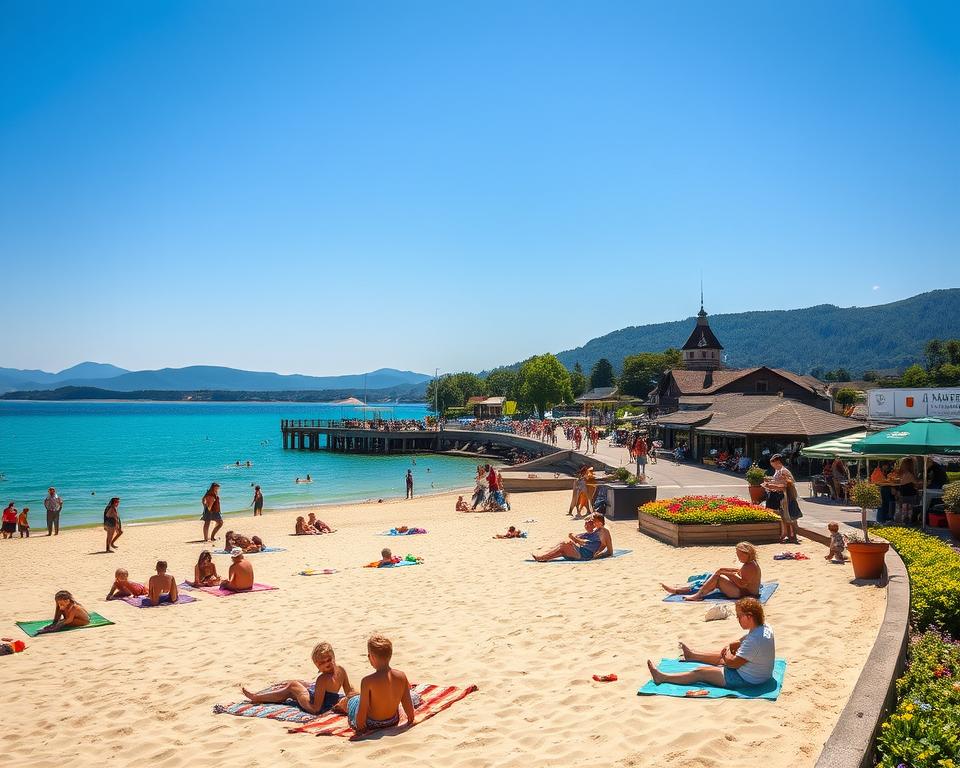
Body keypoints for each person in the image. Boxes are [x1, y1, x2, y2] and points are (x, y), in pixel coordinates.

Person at [645, 597, 775, 690]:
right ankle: (692, 655)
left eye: (739, 616)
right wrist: (730, 647)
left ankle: (663, 677)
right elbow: (743, 640)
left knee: (700, 672)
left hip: (747, 679)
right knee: (724, 654)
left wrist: (726, 655)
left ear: (749, 616)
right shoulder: (764, 627)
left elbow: (732, 664)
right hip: (761, 674)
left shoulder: (753, 641)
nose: (737, 619)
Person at [241, 641, 356, 715]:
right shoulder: (341, 670)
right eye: (323, 662)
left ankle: (256, 697)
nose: (327, 664)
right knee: (299, 685)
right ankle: (286, 691)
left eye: (329, 660)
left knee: (292, 687)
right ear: (318, 665)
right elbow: (349, 691)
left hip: (317, 703)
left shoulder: (322, 679)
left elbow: (316, 708)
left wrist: (301, 701)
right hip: (327, 698)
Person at [345, 634, 419, 734]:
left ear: (371, 657)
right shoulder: (401, 676)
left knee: (353, 701)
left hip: (371, 723)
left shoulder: (367, 681)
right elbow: (407, 704)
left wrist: (360, 729)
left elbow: (362, 709)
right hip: (392, 720)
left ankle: (343, 703)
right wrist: (410, 718)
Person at [660, 542, 761, 601]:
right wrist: (722, 570)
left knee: (717, 578)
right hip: (742, 591)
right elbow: (739, 572)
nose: (738, 557)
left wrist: (724, 573)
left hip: (744, 594)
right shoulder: (750, 563)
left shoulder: (750, 566)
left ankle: (697, 596)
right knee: (711, 577)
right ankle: (680, 589)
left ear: (747, 554)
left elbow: (742, 583)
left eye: (740, 555)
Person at [763, 454, 800, 544]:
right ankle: (788, 535)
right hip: (781, 496)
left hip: (786, 496)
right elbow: (779, 481)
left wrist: (771, 486)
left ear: (778, 462)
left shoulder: (784, 471)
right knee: (784, 516)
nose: (773, 466)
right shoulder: (778, 470)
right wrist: (771, 482)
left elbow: (785, 485)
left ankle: (793, 536)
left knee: (789, 517)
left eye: (773, 464)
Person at [532, 517, 603, 562]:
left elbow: (584, 543)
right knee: (562, 546)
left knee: (564, 545)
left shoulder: (595, 535)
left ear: (593, 525)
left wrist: (574, 539)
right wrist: (573, 538)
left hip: (585, 555)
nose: (586, 526)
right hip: (582, 552)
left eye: (588, 525)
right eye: (585, 525)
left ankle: (543, 557)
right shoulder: (586, 534)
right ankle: (544, 554)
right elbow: (575, 536)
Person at [894, 457, 920, 525]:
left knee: (903, 509)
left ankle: (904, 522)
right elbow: (916, 484)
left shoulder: (903, 473)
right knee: (910, 510)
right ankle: (908, 522)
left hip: (903, 493)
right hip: (910, 494)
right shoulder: (910, 474)